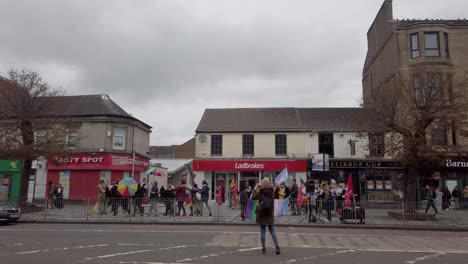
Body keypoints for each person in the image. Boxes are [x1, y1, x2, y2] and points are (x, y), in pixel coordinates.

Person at [252, 177, 280, 255]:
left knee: (262, 231)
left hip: (262, 213)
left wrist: (255, 188)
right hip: (270, 213)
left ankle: (264, 248)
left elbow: (253, 197)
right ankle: (277, 247)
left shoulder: (260, 191)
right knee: (272, 231)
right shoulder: (272, 191)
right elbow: (276, 195)